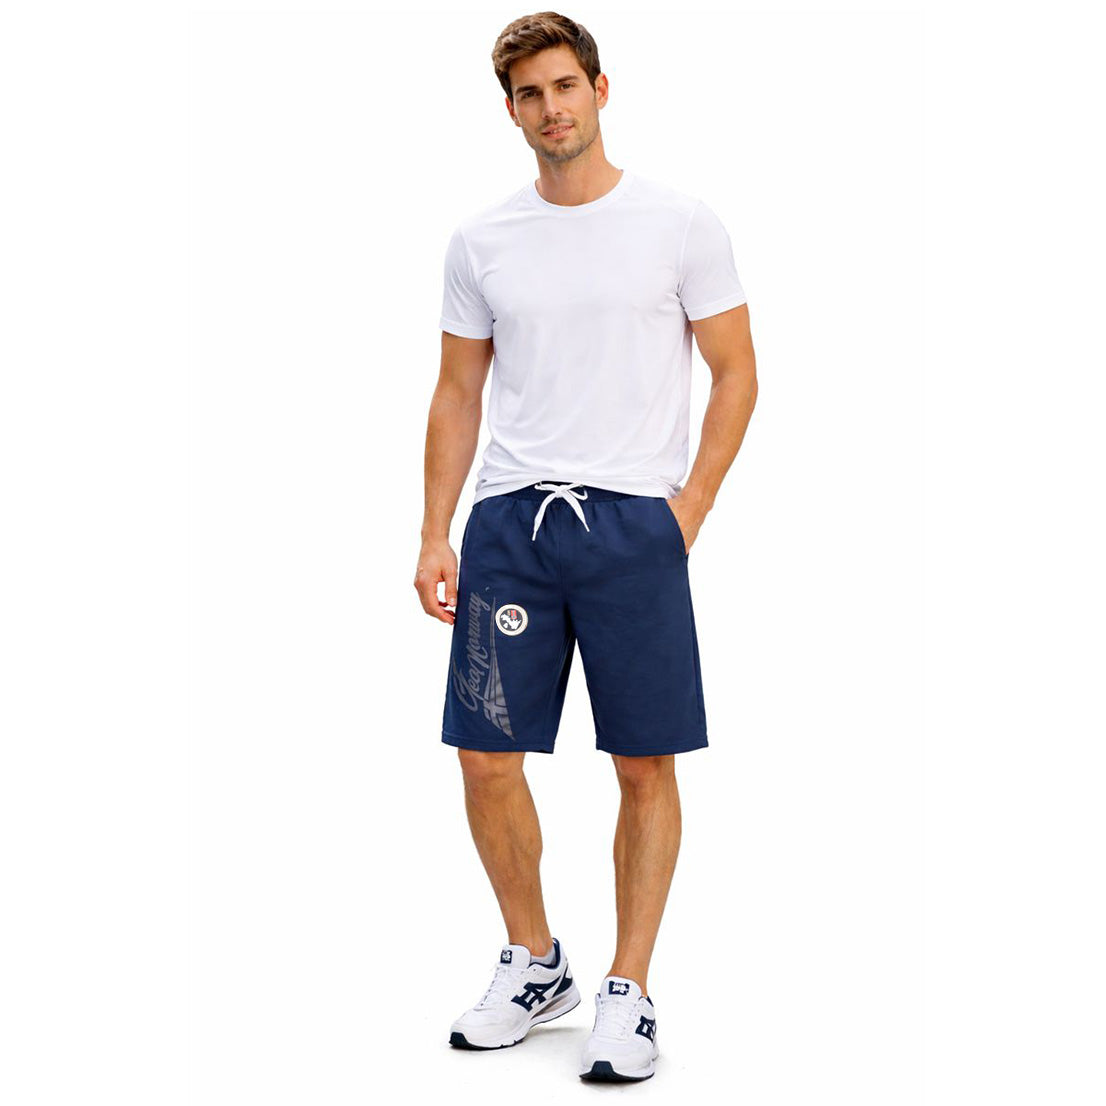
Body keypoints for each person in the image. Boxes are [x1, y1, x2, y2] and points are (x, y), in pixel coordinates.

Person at [415, 11, 757, 1083]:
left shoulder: (679, 223)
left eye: (565, 86)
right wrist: (434, 529)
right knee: (485, 755)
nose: (550, 108)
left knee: (643, 760)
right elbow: (457, 390)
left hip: (631, 525)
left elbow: (737, 370)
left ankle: (629, 988)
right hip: (510, 523)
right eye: (530, 94)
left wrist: (686, 510)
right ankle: (534, 961)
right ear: (511, 110)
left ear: (600, 91)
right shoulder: (482, 240)